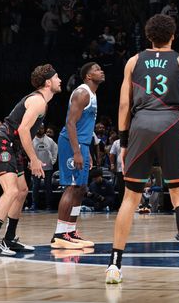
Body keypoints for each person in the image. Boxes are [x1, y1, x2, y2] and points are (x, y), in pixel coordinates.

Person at [106, 14, 179, 285]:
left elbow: (124, 106)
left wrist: (124, 142)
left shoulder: (133, 61)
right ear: (173, 35)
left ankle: (114, 265)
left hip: (140, 126)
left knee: (130, 199)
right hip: (170, 125)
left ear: (149, 36)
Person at [0, 64, 62, 256]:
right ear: (48, 82)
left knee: (22, 190)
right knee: (11, 190)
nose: (60, 80)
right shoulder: (38, 101)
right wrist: (33, 159)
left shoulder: (42, 102)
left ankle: (8, 239)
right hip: (2, 142)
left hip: (12, 147)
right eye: (57, 77)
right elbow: (24, 130)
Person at [52, 62, 105, 249]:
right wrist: (76, 151)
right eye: (97, 69)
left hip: (81, 144)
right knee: (72, 187)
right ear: (88, 76)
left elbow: (85, 127)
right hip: (70, 143)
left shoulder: (93, 94)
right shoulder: (82, 93)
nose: (101, 71)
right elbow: (70, 123)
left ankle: (70, 231)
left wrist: (86, 151)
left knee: (81, 189)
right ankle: (60, 234)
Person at [32, 126, 57, 211]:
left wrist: (53, 161)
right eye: (38, 128)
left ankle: (49, 205)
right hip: (37, 167)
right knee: (36, 186)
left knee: (48, 187)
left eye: (42, 128)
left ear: (44, 129)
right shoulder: (32, 140)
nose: (40, 129)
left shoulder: (49, 140)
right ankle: (34, 205)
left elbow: (55, 149)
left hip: (48, 167)